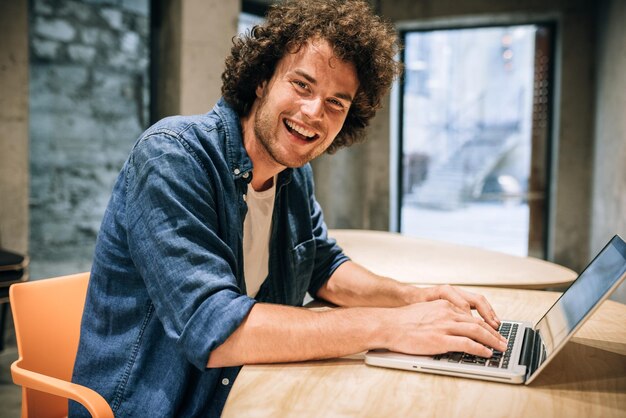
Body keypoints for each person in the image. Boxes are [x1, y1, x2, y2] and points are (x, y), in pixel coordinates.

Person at [70, 0, 507, 416]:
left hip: (250, 389)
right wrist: (392, 326)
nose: (315, 112)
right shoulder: (174, 157)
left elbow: (323, 266)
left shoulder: (291, 173)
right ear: (262, 80)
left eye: (337, 102)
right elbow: (212, 328)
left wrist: (413, 299)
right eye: (302, 85)